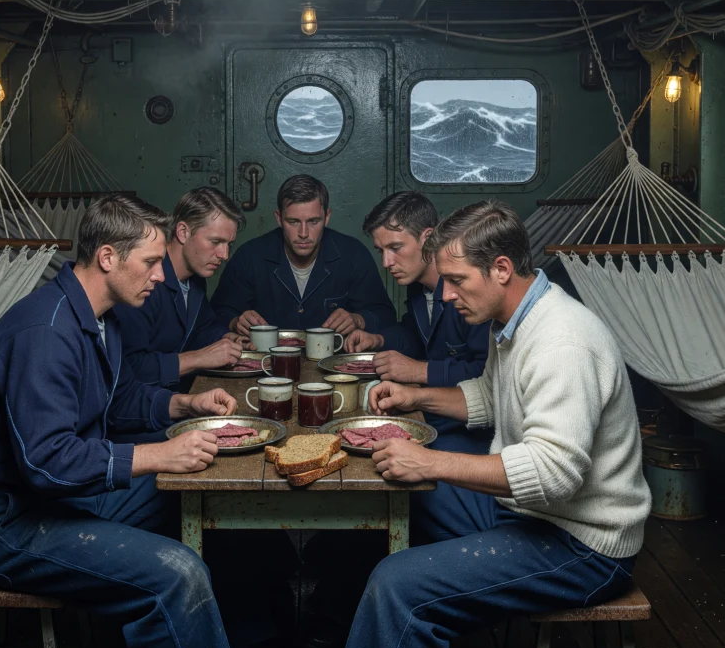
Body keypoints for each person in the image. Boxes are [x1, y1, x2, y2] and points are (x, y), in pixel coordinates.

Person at [344, 200, 649, 648]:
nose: (446, 295)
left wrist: (431, 461)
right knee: (396, 502)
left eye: (458, 280)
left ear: (502, 268)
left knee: (396, 585)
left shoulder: (561, 342)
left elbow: (552, 474)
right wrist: (416, 397)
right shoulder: (511, 319)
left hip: (582, 545)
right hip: (529, 515)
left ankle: (410, 612)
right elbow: (490, 398)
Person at [0, 193, 239, 648]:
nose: (161, 275)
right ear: (108, 257)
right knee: (177, 573)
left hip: (60, 500)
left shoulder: (101, 319)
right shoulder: (43, 333)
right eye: (150, 262)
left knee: (199, 499)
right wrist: (159, 455)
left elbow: (118, 402)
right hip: (3, 522)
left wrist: (187, 405)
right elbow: (47, 462)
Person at [345, 191, 491, 454]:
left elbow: (488, 376)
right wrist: (377, 340)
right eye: (381, 251)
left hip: (474, 431)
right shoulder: (417, 286)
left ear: (427, 238)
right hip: (434, 413)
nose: (387, 262)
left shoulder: (471, 293)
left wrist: (417, 371)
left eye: (396, 248)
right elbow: (415, 335)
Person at [212, 174, 396, 335]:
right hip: (267, 363)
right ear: (279, 218)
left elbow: (386, 316)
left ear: (327, 217)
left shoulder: (354, 254)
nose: (303, 233)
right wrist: (235, 322)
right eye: (293, 222)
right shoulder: (249, 256)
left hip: (335, 365)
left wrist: (358, 320)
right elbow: (215, 315)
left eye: (313, 221)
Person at [115, 187, 246, 392]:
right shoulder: (145, 281)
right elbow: (130, 368)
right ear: (183, 232)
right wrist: (199, 358)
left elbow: (202, 329)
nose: (224, 255)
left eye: (229, 244)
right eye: (216, 242)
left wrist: (227, 338)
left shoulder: (195, 278)